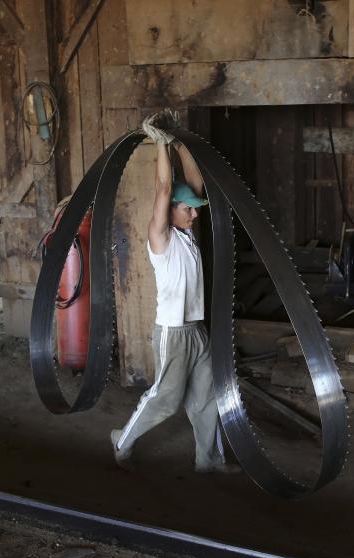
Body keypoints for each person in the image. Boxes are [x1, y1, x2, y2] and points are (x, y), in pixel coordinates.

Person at [110, 110, 240, 475]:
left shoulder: (187, 234)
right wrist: (161, 144)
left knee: (207, 397)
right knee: (165, 400)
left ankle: (208, 462)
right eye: (188, 211)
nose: (194, 215)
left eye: (195, 211)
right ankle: (122, 439)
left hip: (197, 330)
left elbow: (195, 182)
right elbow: (164, 190)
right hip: (172, 332)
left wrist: (181, 140)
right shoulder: (161, 237)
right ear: (170, 212)